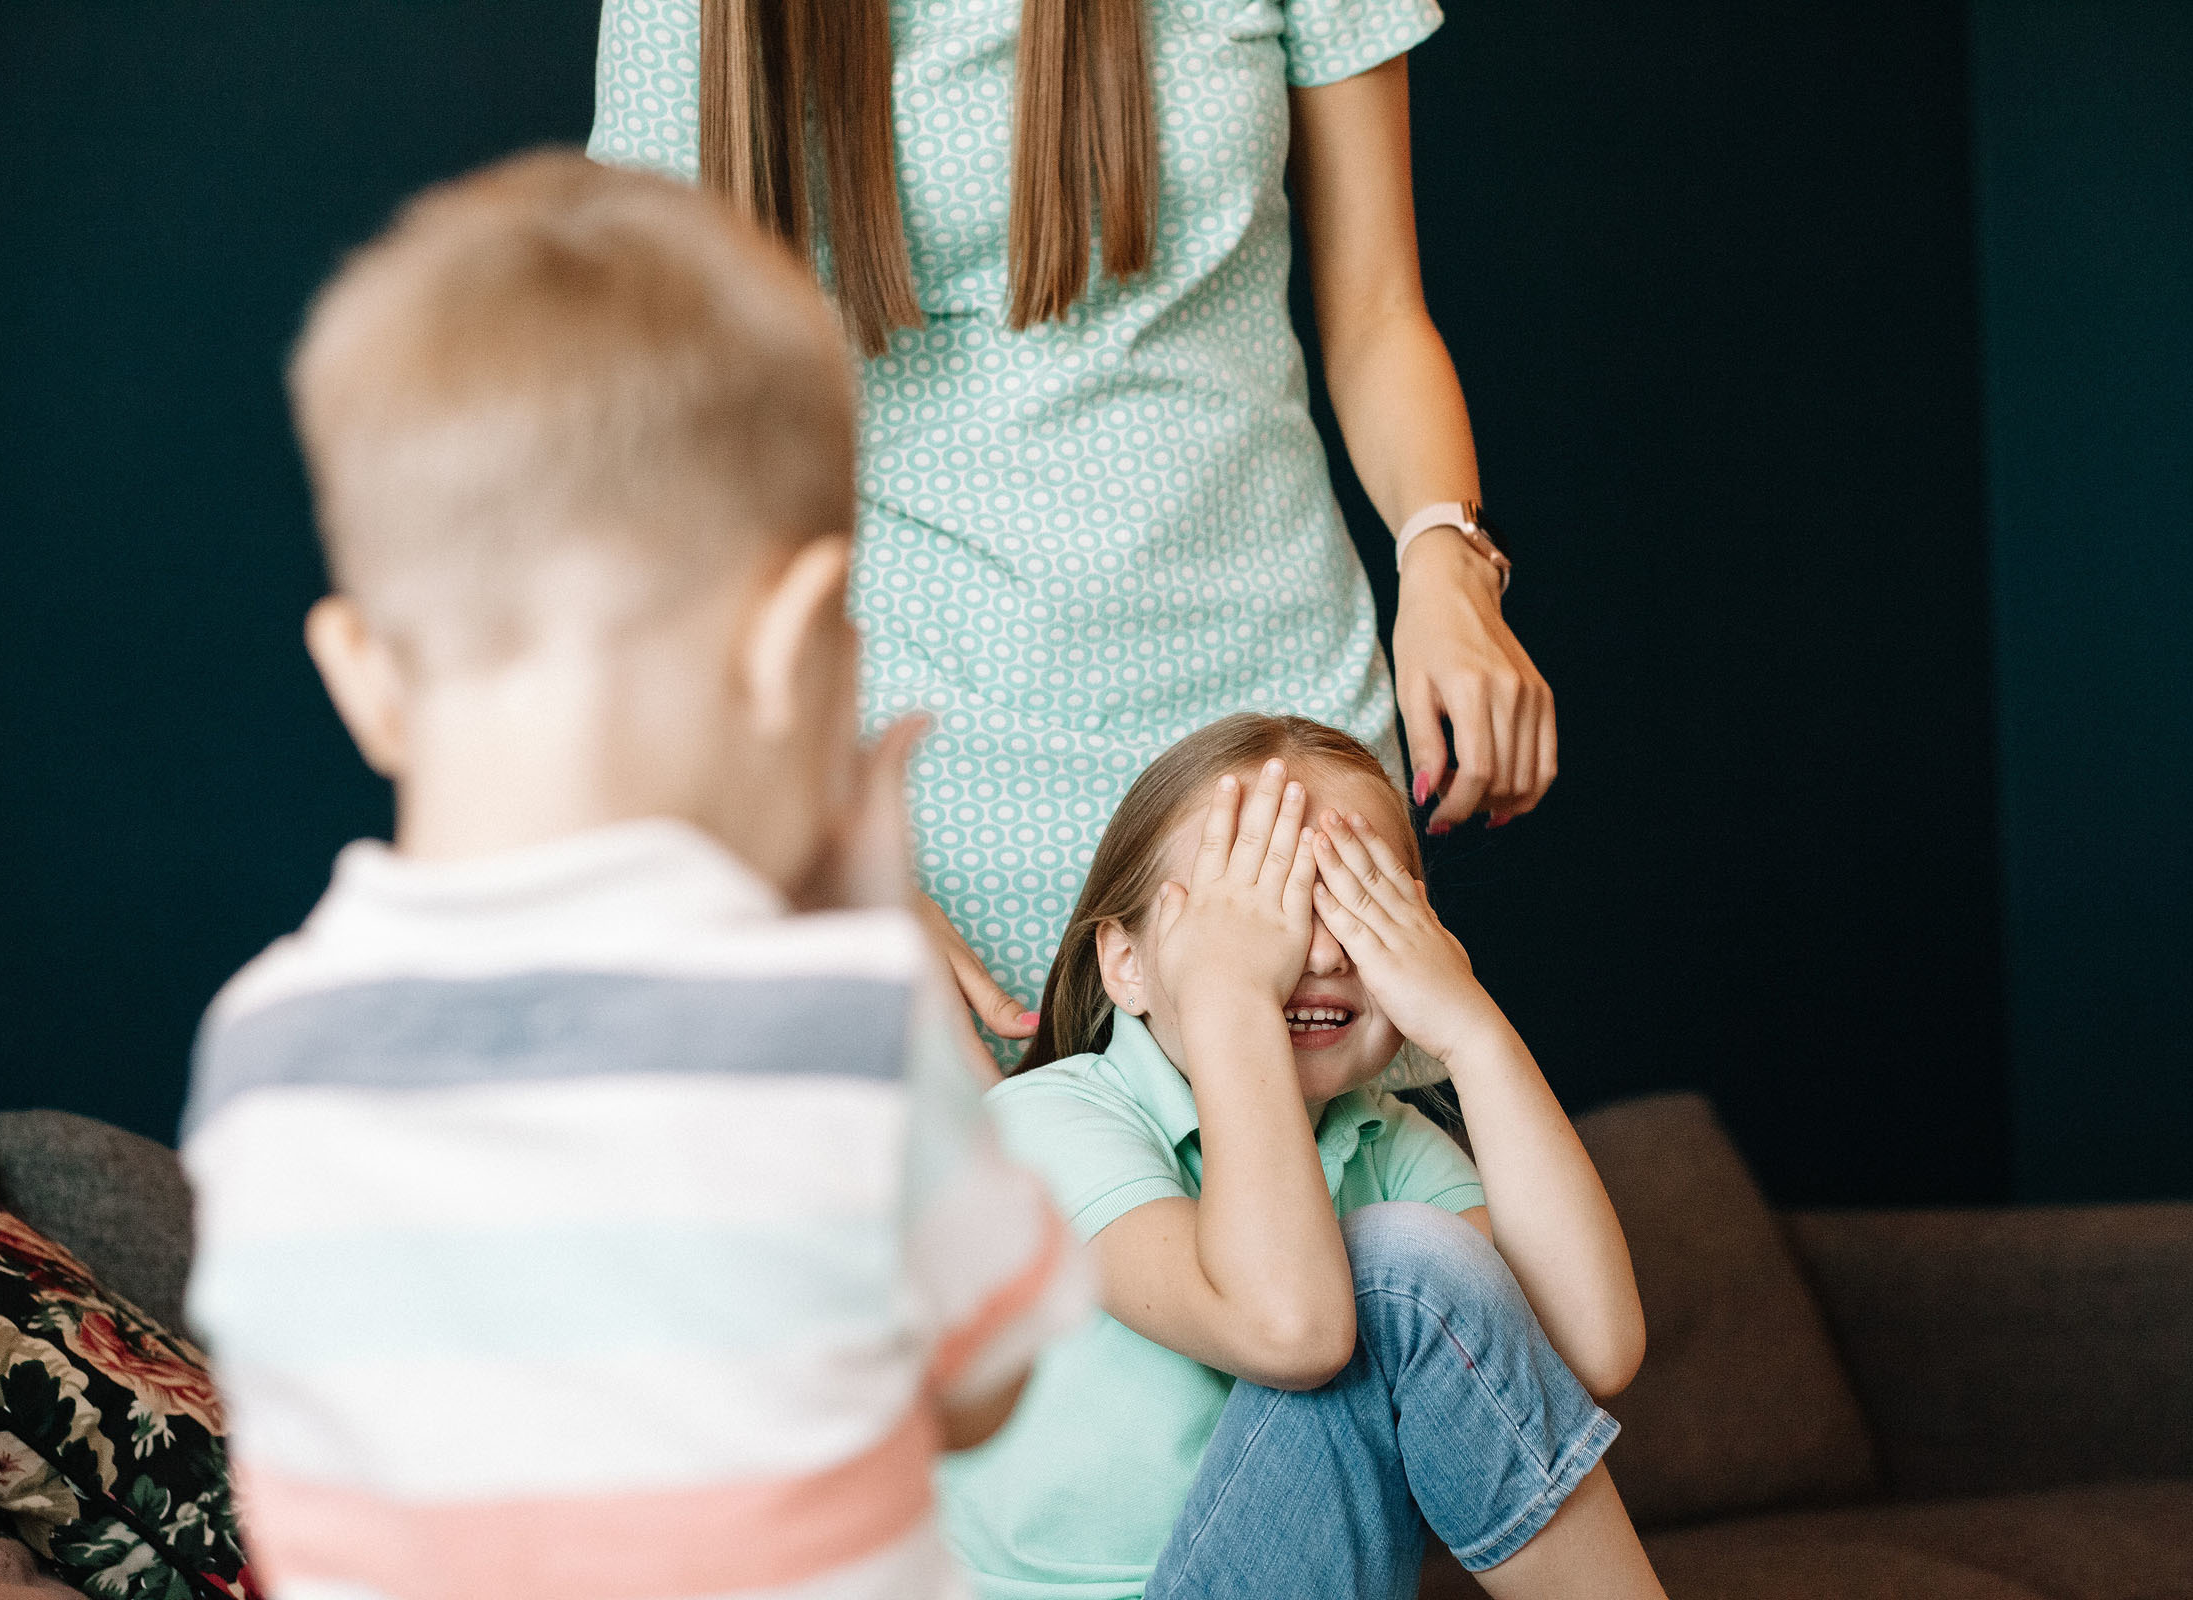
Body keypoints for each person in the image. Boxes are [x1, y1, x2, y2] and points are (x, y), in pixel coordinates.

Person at [179, 151, 1084, 1600]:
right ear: (791, 650)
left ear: (364, 677)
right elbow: (989, 1386)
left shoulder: (263, 1056)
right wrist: (882, 953)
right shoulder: (840, 1035)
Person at [590, 0, 1559, 1059]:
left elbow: (1380, 314)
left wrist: (1446, 562)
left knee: (1360, 1218)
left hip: (1273, 766)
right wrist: (808, 826)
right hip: (914, 811)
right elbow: (660, 446)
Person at [941, 714, 1664, 1599]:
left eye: (1351, 903)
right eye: (1254, 912)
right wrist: (1233, 994)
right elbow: (1290, 1329)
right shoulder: (1042, 1124)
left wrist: (1470, 1029)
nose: (1316, 950)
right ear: (1127, 967)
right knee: (1393, 1267)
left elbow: (1591, 1348)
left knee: (1408, 1262)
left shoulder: (1384, 1140)